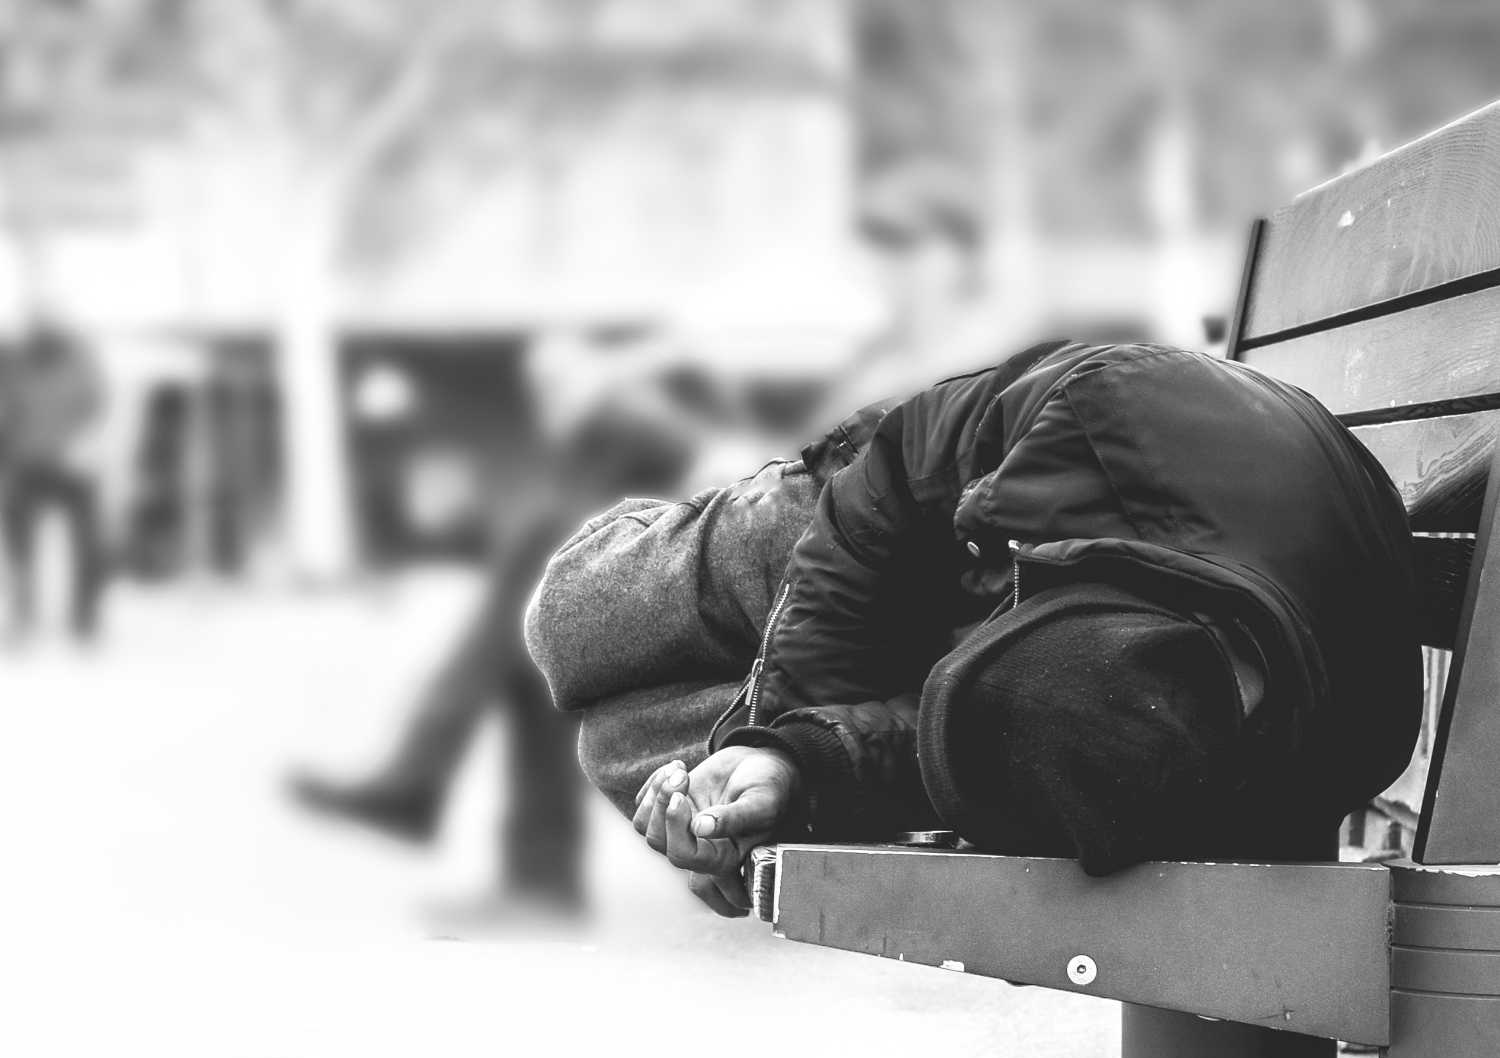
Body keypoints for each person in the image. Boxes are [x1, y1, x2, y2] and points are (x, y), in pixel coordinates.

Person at [526, 340, 1423, 916]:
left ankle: (743, 766)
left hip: (1019, 629)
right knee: (570, 621)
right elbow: (897, 467)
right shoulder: (1110, 419)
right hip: (918, 525)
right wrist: (792, 707)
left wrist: (793, 772)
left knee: (619, 740)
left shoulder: (1150, 753)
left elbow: (972, 748)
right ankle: (659, 527)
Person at [288, 374, 704, 919]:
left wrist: (605, 396)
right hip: (676, 560)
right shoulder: (654, 405)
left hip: (706, 581)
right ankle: (468, 820)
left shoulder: (678, 400)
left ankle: (423, 784)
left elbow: (665, 445)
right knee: (531, 637)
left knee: (536, 596)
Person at [0, 324, 108, 643]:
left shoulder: (78, 362)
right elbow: (8, 415)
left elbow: (96, 406)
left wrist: (82, 444)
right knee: (19, 540)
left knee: (89, 540)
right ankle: (23, 612)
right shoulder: (15, 363)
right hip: (27, 464)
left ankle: (84, 618)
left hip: (72, 465)